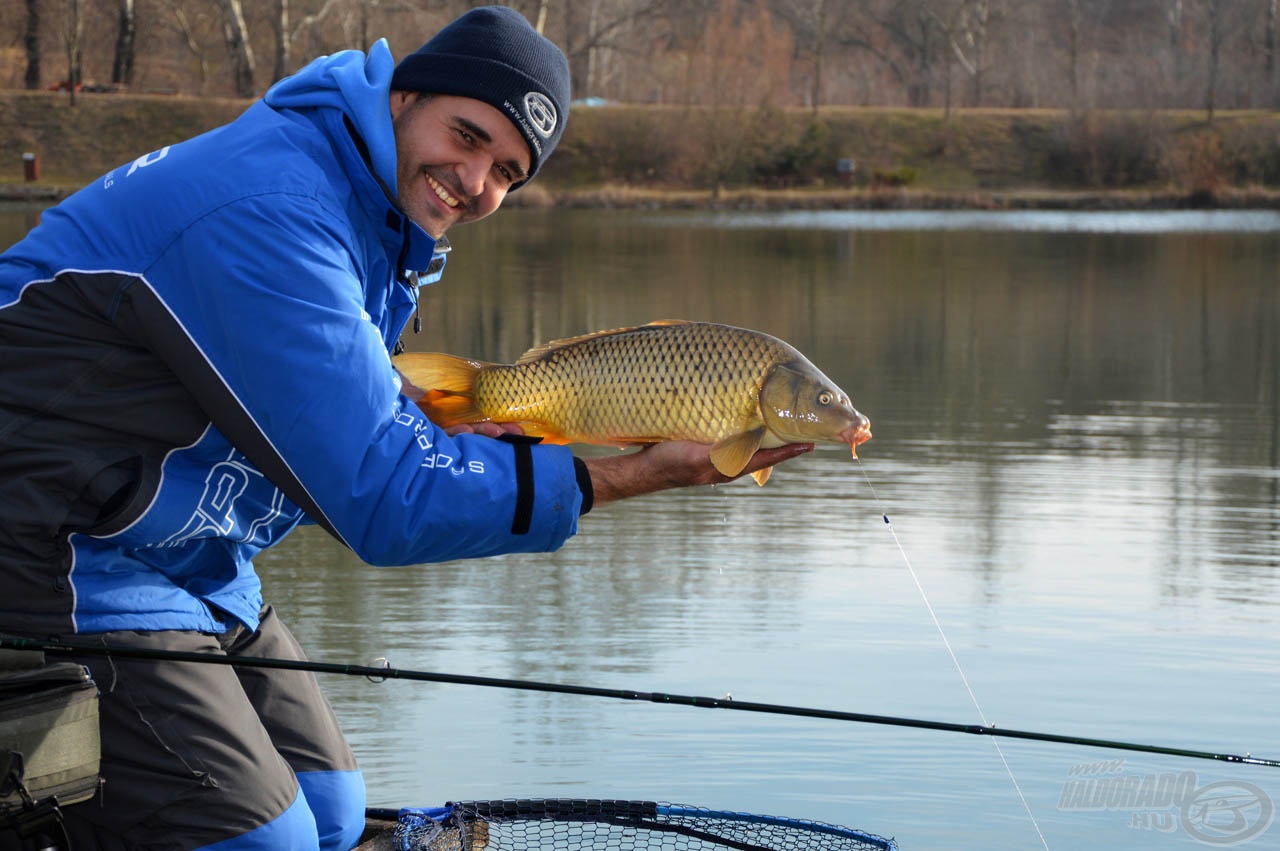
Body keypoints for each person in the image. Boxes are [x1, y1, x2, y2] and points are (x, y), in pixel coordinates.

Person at [0, 6, 810, 850]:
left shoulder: (366, 210)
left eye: (507, 171)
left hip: (186, 548)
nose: (476, 182)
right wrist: (624, 476)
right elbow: (382, 501)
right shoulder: (277, 207)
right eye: (466, 135)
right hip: (51, 538)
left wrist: (462, 451)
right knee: (263, 841)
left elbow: (333, 445)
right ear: (406, 94)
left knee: (333, 811)